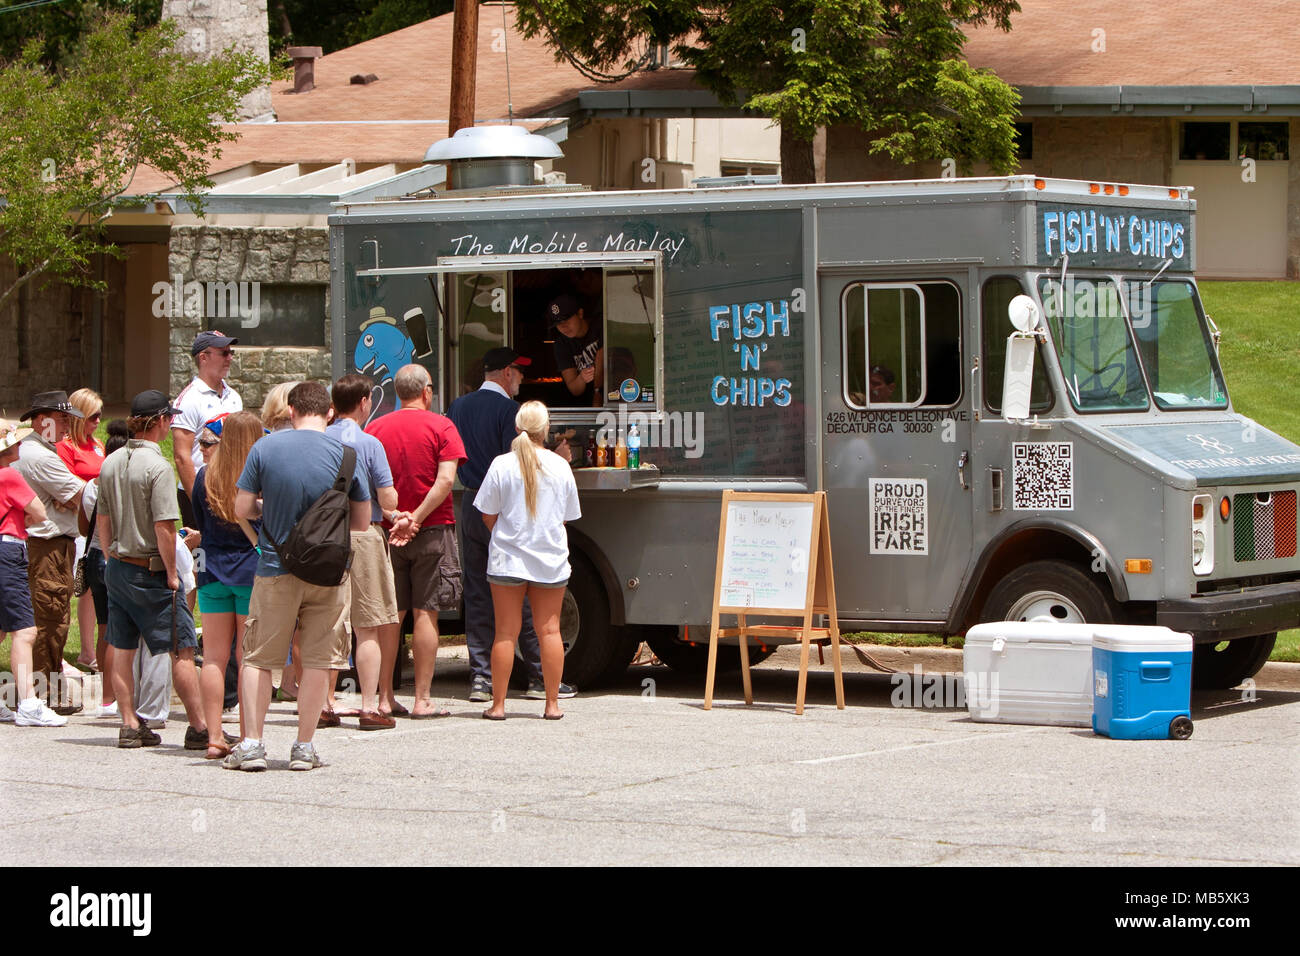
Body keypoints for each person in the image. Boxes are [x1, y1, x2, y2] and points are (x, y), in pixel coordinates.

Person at [226, 382, 370, 771]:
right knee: (320, 661)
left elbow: (240, 507)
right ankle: (304, 748)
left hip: (275, 567)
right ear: (329, 414)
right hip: (329, 573)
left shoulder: (265, 448)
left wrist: (265, 508)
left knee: (258, 659)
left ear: (290, 411)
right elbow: (361, 522)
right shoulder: (347, 455)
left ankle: (253, 744)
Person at [448, 347, 577, 704]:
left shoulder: (458, 406)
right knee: (524, 598)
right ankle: (538, 677)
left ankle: (480, 678)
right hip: (511, 511)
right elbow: (523, 463)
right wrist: (558, 458)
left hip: (472, 504)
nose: (521, 379)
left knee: (476, 594)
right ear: (506, 373)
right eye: (519, 373)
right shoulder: (509, 411)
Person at [98, 390, 221, 750]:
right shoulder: (158, 468)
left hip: (118, 567)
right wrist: (171, 573)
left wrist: (109, 557)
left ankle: (129, 723)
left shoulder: (111, 462)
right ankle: (199, 726)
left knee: (121, 647)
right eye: (170, 418)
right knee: (182, 647)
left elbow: (103, 518)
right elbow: (165, 526)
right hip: (149, 569)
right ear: (161, 422)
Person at [365, 365, 466, 719]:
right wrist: (418, 518)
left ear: (396, 393)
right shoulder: (443, 426)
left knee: (391, 615)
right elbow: (445, 481)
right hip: (434, 529)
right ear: (426, 391)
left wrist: (398, 519)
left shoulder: (375, 428)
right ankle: (422, 699)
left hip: (387, 532)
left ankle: (385, 697)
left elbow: (369, 487)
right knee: (427, 612)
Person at [475, 402, 581, 720]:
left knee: (505, 633)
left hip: (507, 559)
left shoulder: (500, 465)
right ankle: (551, 705)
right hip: (549, 559)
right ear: (545, 430)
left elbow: (487, 514)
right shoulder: (560, 466)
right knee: (549, 631)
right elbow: (567, 518)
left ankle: (498, 705)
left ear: (517, 427)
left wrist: (507, 537)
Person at [327, 374, 416, 729]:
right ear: (364, 402)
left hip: (324, 538)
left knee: (327, 623)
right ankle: (368, 706)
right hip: (363, 536)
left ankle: (324, 703)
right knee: (367, 627)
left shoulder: (319, 439)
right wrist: (397, 511)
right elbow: (386, 498)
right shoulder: (369, 443)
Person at [190, 410, 263, 758]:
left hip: (211, 571)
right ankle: (249, 735)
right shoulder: (259, 477)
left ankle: (214, 736)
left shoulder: (205, 475)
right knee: (247, 656)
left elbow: (199, 521)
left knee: (214, 658)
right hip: (250, 572)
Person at [14, 390, 87, 715]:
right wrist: (68, 500)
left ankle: (44, 690)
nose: (68, 427)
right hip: (46, 548)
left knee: (51, 614)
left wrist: (67, 500)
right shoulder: (39, 456)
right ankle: (42, 695)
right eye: (62, 419)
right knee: (49, 617)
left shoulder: (41, 450)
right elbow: (82, 497)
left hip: (52, 545)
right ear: (42, 419)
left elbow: (72, 497)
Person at [0, 421, 66, 727]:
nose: (19, 447)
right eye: (15, 443)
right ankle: (28, 702)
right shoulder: (10, 475)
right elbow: (38, 512)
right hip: (9, 550)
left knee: (2, 628)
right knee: (25, 631)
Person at [83, 420, 131, 719]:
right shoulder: (125, 481)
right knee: (119, 630)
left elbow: (81, 524)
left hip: (93, 557)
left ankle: (105, 696)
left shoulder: (92, 484)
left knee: (104, 627)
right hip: (117, 556)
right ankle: (119, 694)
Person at [173, 331, 242, 527]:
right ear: (203, 357)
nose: (229, 358)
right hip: (199, 491)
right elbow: (181, 456)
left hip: (231, 489)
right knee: (203, 555)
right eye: (223, 353)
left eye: (231, 352)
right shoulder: (188, 400)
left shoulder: (234, 397)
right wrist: (199, 500)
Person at [58, 388, 106, 672]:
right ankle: (77, 651)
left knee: (92, 590)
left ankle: (89, 650)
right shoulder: (65, 447)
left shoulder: (97, 445)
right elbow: (63, 488)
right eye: (93, 416)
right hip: (77, 526)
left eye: (99, 415)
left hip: (98, 527)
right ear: (79, 417)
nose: (98, 421)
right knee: (76, 588)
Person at [548, 293, 603, 406]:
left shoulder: (600, 325)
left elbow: (603, 359)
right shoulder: (561, 344)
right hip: (584, 408)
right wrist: (582, 378)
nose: (563, 327)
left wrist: (598, 392)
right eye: (558, 324)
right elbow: (574, 389)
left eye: (566, 320)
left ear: (580, 313)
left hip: (614, 398)